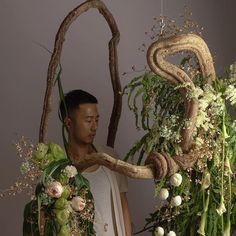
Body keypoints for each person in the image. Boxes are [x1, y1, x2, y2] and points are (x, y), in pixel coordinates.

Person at [59, 89, 132, 236]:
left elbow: (123, 204)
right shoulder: (58, 165)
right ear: (68, 122)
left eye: (96, 120)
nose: (94, 126)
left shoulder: (109, 157)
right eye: (88, 120)